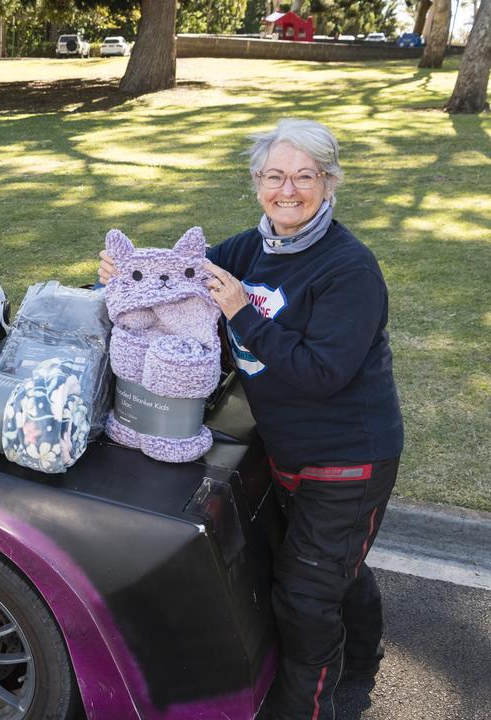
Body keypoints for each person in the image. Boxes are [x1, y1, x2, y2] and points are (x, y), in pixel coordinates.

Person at [99, 118, 403, 719]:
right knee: (334, 567)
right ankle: (361, 664)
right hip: (287, 452)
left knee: (306, 598)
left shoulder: (350, 270)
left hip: (347, 459)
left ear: (330, 181)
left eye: (305, 176)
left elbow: (323, 373)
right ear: (257, 182)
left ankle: (307, 709)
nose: (288, 190)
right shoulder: (247, 248)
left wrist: (241, 311)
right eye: (274, 176)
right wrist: (122, 276)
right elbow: (176, 284)